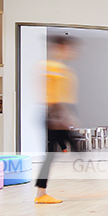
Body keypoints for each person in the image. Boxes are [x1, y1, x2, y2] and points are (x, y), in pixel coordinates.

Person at [35, 35, 80, 205]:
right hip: (54, 116)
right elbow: (51, 96)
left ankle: (41, 192)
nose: (73, 52)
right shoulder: (52, 68)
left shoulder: (61, 68)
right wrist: (62, 116)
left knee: (71, 150)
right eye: (70, 48)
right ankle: (41, 193)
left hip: (58, 114)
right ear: (62, 47)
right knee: (53, 154)